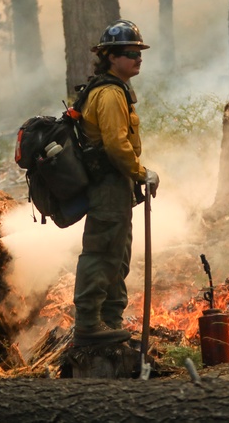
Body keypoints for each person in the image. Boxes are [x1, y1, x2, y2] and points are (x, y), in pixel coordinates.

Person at [72, 19, 160, 347]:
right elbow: (115, 144)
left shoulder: (116, 89)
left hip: (116, 185)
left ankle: (110, 321)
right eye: (129, 52)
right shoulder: (108, 93)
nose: (138, 58)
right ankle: (88, 325)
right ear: (110, 57)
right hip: (108, 184)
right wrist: (141, 172)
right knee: (102, 252)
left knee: (118, 253)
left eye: (139, 52)